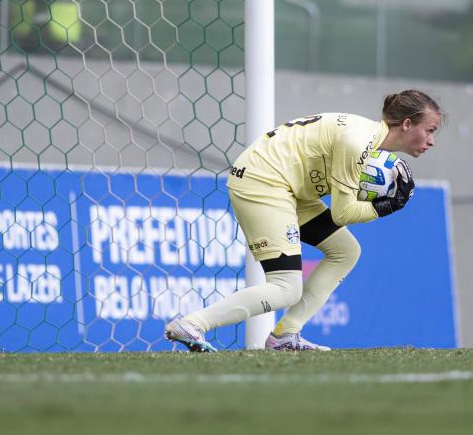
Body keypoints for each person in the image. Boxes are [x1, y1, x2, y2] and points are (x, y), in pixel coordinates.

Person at [165, 90, 443, 352]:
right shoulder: (358, 143)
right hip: (263, 182)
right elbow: (343, 214)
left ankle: (286, 334)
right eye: (429, 131)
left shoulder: (366, 139)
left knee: (346, 251)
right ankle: (192, 325)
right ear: (407, 124)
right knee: (285, 288)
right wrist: (386, 207)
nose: (431, 141)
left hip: (287, 187)